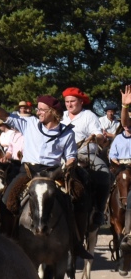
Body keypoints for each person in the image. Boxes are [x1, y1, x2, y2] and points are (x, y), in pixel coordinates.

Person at [0, 85, 93, 259]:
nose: (38, 112)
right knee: (7, 202)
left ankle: (77, 243)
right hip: (28, 171)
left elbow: (71, 156)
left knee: (79, 196)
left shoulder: (66, 133)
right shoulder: (29, 123)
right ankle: (7, 241)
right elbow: (2, 114)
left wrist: (69, 164)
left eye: (42, 110)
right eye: (38, 109)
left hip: (54, 173)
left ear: (52, 112)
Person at [61, 86, 109, 230]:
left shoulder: (89, 115)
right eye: (67, 101)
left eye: (72, 101)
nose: (69, 104)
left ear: (81, 102)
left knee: (104, 171)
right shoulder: (60, 116)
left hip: (84, 154)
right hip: (62, 155)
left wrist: (96, 137)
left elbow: (99, 135)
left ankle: (99, 211)